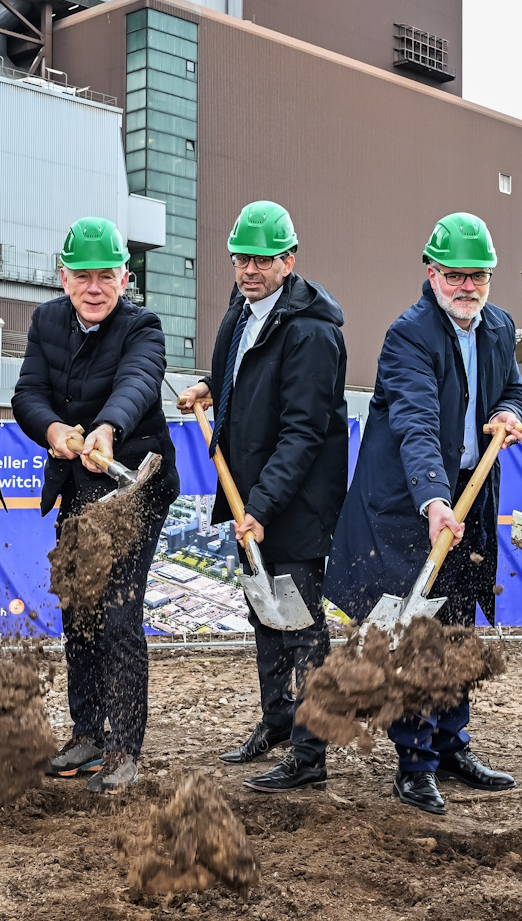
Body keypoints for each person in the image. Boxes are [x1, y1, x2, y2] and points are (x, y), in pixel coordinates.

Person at [325, 212, 522, 815]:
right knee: (419, 635)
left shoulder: (498, 327)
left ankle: (451, 743)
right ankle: (414, 765)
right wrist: (436, 502)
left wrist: (509, 413)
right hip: (415, 502)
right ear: (431, 273)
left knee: (460, 626)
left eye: (478, 276)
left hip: (472, 494)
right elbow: (415, 424)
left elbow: (511, 388)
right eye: (455, 275)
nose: (467, 286)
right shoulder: (408, 335)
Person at [175, 200, 349, 793]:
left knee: (300, 623)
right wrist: (207, 383)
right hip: (251, 491)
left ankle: (310, 753)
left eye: (263, 259)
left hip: (293, 503)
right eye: (241, 258)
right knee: (263, 612)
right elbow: (234, 373)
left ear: (289, 260)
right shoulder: (242, 311)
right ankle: (278, 721)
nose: (249, 269)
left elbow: (303, 433)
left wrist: (262, 507)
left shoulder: (313, 332)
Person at [12, 216, 180, 793]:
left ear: (124, 279)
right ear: (63, 277)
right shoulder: (46, 322)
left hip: (133, 483)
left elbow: (138, 381)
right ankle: (86, 733)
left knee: (118, 613)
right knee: (78, 609)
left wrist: (107, 428)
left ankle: (125, 748)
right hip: (79, 489)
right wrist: (55, 430)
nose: (93, 286)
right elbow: (27, 392)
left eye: (105, 275)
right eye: (82, 275)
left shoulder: (144, 327)